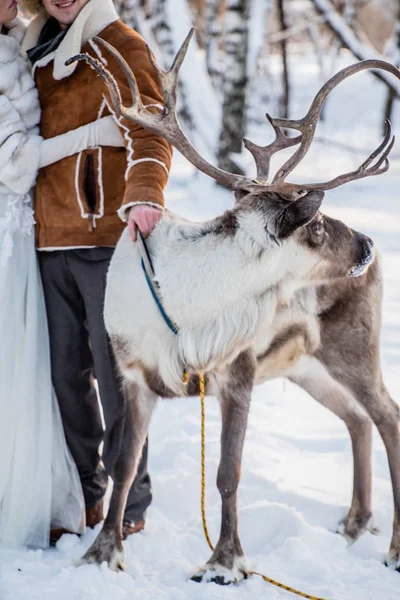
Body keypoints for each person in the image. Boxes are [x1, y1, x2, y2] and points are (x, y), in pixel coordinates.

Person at [19, 0, 173, 541]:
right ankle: (87, 490)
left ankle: (132, 500)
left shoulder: (120, 43)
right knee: (65, 377)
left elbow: (151, 129)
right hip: (48, 240)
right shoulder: (38, 52)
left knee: (116, 379)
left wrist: (145, 194)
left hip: (106, 239)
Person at [0, 1, 125, 548]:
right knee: (23, 359)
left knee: (49, 363)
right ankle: (26, 491)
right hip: (14, 224)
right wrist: (92, 136)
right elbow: (13, 163)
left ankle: (76, 488)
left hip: (43, 226)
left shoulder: (28, 41)